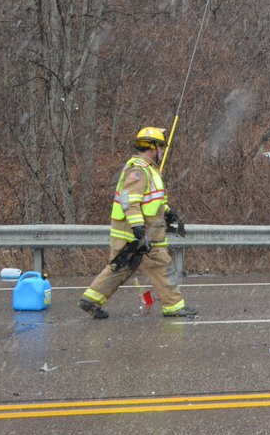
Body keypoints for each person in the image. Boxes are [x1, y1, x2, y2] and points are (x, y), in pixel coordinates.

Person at [79, 126, 197, 319]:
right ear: (152, 147)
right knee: (161, 267)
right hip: (140, 234)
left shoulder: (147, 170)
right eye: (160, 147)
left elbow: (151, 202)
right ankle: (174, 307)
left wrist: (168, 213)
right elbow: (131, 203)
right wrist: (138, 230)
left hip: (143, 233)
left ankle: (91, 300)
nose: (161, 151)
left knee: (121, 268)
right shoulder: (139, 171)